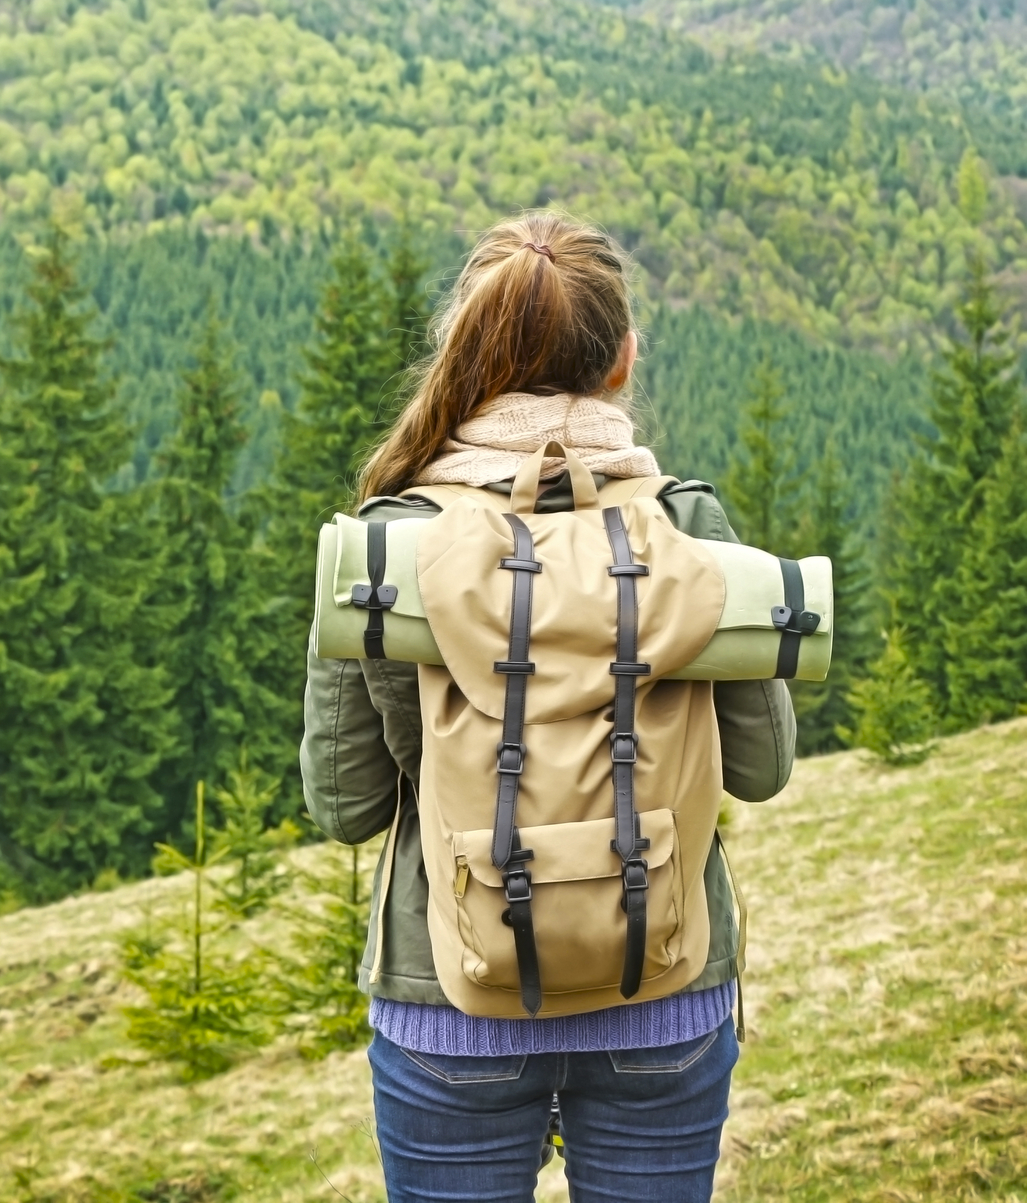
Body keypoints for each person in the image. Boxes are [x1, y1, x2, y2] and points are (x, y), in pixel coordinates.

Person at [299, 211, 795, 1203]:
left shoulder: (391, 539)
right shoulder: (687, 524)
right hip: (661, 994)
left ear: (470, 355)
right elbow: (763, 766)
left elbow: (343, 805)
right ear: (622, 360)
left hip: (451, 1006)